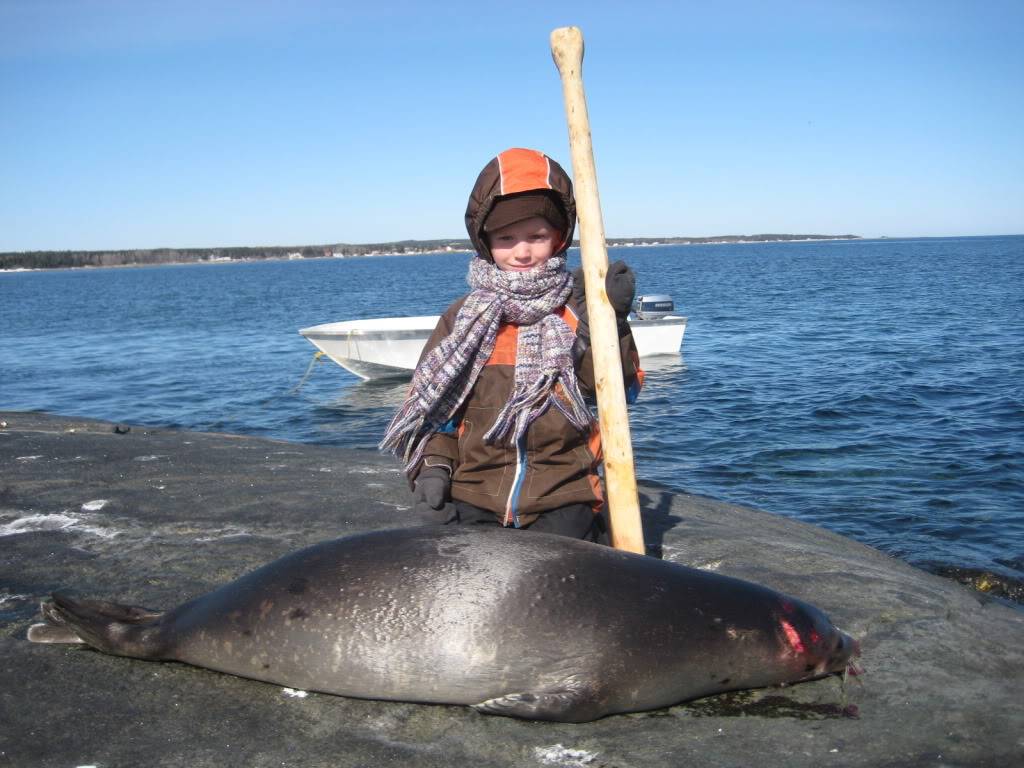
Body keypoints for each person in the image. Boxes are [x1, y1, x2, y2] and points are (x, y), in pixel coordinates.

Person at [380, 147, 642, 543]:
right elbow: (438, 414)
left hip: (563, 497)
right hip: (474, 494)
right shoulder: (463, 318)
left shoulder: (582, 309)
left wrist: (614, 323)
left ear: (558, 237)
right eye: (506, 238)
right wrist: (435, 469)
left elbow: (622, 393)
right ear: (485, 241)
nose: (522, 252)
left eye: (536, 236)